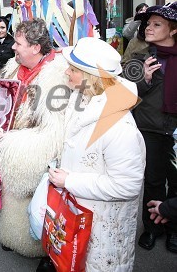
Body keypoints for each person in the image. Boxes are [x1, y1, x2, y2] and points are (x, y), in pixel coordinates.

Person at [0, 19, 70, 258]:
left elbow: (54, 134)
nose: (12, 47)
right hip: (8, 148)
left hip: (34, 157)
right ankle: (13, 235)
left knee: (40, 205)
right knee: (13, 200)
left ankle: (44, 252)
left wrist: (11, 144)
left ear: (35, 47)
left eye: (18, 43)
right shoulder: (13, 65)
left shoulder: (56, 77)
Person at [47, 37, 145, 271]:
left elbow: (126, 186)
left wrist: (69, 181)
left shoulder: (120, 127)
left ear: (91, 77)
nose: (66, 73)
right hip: (80, 215)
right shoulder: (82, 98)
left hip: (102, 228)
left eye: (73, 69)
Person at [124, 1, 177, 254]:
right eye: (148, 23)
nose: (148, 28)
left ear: (173, 29)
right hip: (150, 128)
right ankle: (152, 228)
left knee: (176, 182)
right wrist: (143, 79)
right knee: (153, 181)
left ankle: (174, 228)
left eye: (157, 24)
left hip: (175, 130)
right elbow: (125, 96)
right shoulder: (139, 57)